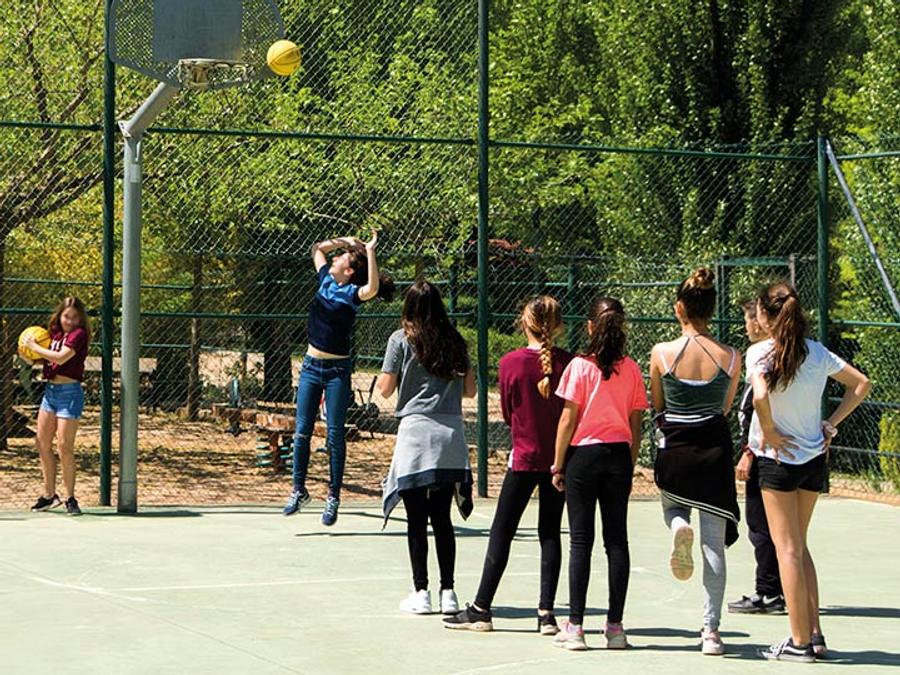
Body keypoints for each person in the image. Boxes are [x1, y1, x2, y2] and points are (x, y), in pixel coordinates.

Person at [749, 283, 870, 663]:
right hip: (814, 460)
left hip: (779, 462)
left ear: (765, 316)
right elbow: (861, 384)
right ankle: (815, 636)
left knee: (786, 549)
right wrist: (830, 424)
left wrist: (769, 430)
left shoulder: (759, 352)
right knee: (798, 546)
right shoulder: (816, 352)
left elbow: (759, 396)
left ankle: (799, 643)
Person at [443, 296, 572, 634]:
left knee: (502, 531)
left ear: (525, 323)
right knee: (550, 533)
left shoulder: (510, 363)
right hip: (559, 462)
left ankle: (481, 609)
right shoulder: (570, 363)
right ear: (558, 326)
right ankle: (546, 614)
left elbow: (508, 412)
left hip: (524, 458)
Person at [649, 267, 742, 656]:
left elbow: (658, 405)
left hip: (676, 451)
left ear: (678, 308)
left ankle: (679, 526)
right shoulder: (731, 356)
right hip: (714, 455)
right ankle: (711, 632)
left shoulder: (661, 353)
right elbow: (724, 407)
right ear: (712, 309)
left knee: (672, 508)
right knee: (714, 546)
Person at [549, 297, 649, 651]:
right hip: (618, 456)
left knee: (580, 540)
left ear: (590, 326)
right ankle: (615, 628)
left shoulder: (578, 366)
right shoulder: (632, 369)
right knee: (617, 541)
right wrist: (629, 464)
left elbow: (567, 419)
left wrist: (558, 464)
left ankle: (575, 627)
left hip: (584, 458)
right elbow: (636, 425)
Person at [283, 232, 394, 526]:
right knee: (302, 431)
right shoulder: (325, 281)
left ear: (349, 271)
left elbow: (372, 288)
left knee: (334, 435)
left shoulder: (352, 294)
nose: (334, 258)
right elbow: (316, 248)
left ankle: (333, 497)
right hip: (310, 367)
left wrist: (369, 251)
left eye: (341, 258)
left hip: (336, 372)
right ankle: (298, 490)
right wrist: (345, 242)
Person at [378, 280, 475, 615]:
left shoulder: (400, 339)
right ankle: (449, 592)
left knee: (416, 518)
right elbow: (471, 391)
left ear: (409, 306)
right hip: (450, 434)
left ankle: (421, 592)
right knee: (442, 517)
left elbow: (385, 388)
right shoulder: (455, 340)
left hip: (416, 435)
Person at [729, 299, 785, 615]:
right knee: (778, 530)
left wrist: (748, 453)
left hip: (767, 457)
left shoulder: (761, 358)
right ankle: (779, 589)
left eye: (748, 320)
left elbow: (760, 411)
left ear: (760, 322)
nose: (746, 327)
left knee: (761, 527)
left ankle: (769, 593)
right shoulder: (787, 355)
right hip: (781, 456)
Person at [26, 296, 91, 516]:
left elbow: (62, 358)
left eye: (74, 317)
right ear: (60, 315)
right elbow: (47, 358)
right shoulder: (53, 335)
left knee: (64, 446)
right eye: (66, 316)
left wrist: (34, 347)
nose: (70, 321)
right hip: (50, 393)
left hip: (69, 394)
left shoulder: (79, 335)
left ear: (80, 319)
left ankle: (70, 498)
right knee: (42, 443)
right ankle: (48, 495)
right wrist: (29, 354)